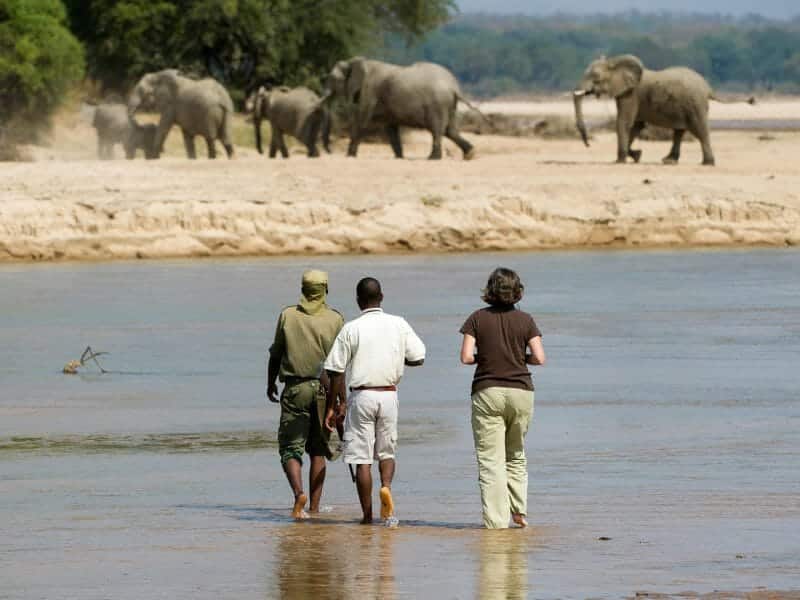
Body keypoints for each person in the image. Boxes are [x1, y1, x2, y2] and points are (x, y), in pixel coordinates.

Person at [323, 277, 426, 525]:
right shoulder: (398, 323)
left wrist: (335, 405)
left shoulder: (351, 328)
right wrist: (397, 357)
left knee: (362, 458)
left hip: (362, 395)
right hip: (389, 394)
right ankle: (387, 488)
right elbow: (419, 357)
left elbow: (335, 370)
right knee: (387, 452)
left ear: (358, 301)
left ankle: (367, 516)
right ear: (381, 297)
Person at [459, 267, 546, 529]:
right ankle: (519, 512)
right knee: (516, 454)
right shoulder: (526, 320)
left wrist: (483, 358)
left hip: (487, 391)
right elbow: (540, 358)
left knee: (490, 460)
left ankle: (496, 523)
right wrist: (520, 358)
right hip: (521, 390)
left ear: (490, 290)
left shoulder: (476, 318)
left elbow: (465, 357)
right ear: (517, 291)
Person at [267, 270, 344, 519]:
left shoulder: (288, 315)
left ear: (302, 289)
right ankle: (314, 507)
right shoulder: (335, 319)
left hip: (295, 389)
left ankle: (298, 493)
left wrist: (270, 383)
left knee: (290, 448)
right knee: (318, 451)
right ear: (325, 290)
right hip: (324, 391)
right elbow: (339, 367)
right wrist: (341, 400)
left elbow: (275, 354)